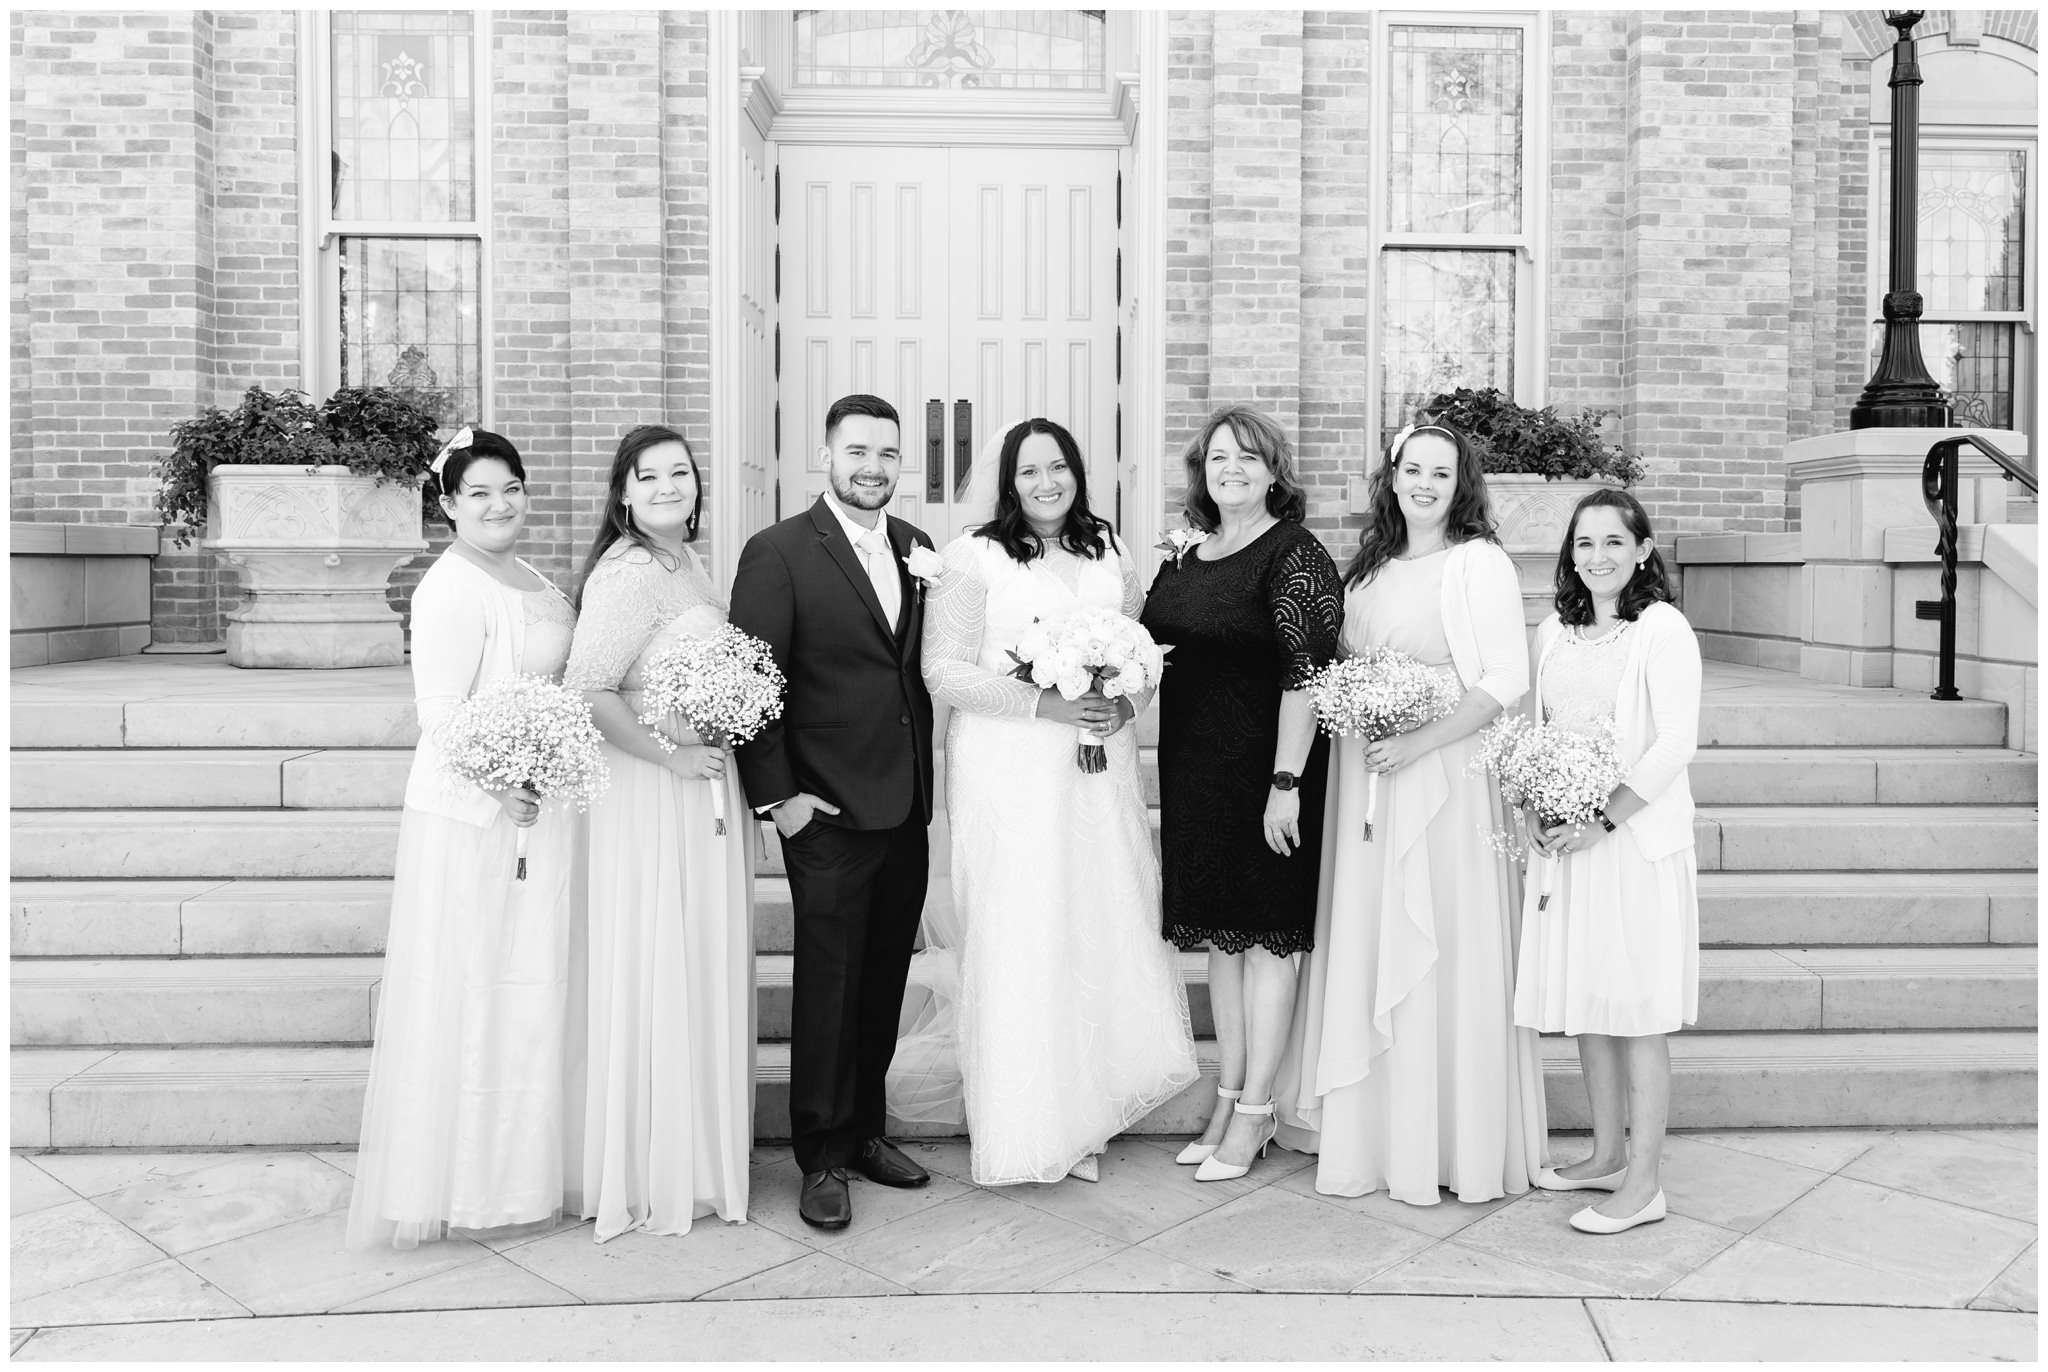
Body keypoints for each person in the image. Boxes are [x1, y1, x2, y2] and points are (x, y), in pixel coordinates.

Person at [912, 417, 1198, 1186]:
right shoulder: (973, 557)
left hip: (1097, 773)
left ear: (1077, 472)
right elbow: (945, 671)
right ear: (1008, 482)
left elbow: (1144, 656)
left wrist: (1124, 705)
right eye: (1030, 471)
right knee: (1026, 930)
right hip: (1010, 769)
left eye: (1059, 467)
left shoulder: (1110, 550)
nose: (1047, 483)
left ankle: (1089, 1114)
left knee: (1094, 923)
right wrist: (1047, 704)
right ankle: (1028, 1127)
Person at [1273, 421, 1545, 1207]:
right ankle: (1379, 1138)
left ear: (1462, 484)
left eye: (1442, 472)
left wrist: (1420, 740)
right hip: (1368, 775)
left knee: (1440, 943)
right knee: (1370, 936)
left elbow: (1505, 678)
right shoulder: (1369, 564)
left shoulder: (1478, 562)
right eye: (1413, 469)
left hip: (1444, 778)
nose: (1425, 483)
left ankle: (1449, 1140)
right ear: (1391, 477)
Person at [346, 428, 580, 1250]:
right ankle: (473, 1185)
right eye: (477, 492)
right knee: (479, 991)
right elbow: (440, 714)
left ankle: (526, 1171)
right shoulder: (448, 587)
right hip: (475, 818)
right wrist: (503, 782)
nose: (498, 503)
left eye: (509, 487)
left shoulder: (537, 578)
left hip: (538, 809)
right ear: (447, 506)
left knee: (531, 989)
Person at [730, 394, 937, 1231]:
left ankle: (863, 1134)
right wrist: (780, 800)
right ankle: (819, 1157)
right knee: (829, 986)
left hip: (906, 805)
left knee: (883, 980)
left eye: (887, 455)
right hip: (825, 810)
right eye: (858, 452)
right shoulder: (778, 551)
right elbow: (752, 684)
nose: (873, 468)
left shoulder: (918, 548)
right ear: (827, 456)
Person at [1138, 404, 1343, 1183]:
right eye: (1219, 458)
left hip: (1268, 773)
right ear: (1202, 469)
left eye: (1249, 459)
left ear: (1273, 471)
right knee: (1221, 945)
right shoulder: (1187, 549)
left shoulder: (1294, 552)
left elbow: (1307, 676)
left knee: (1264, 943)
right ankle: (1227, 1095)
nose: (1233, 470)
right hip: (1196, 773)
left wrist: (1286, 784)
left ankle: (1257, 1111)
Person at [562, 424, 753, 1242]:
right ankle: (654, 1166)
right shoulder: (631, 569)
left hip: (702, 782)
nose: (670, 486)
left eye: (682, 472)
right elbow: (590, 688)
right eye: (652, 476)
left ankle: (701, 1155)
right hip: (656, 793)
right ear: (625, 494)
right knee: (662, 960)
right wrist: (671, 756)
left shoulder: (688, 564)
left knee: (700, 960)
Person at [1516, 488, 1701, 1235]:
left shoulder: (1663, 629)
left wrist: (1602, 818)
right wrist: (1532, 802)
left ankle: (1645, 1184)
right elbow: (1536, 727)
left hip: (1634, 843)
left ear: (1643, 550)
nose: (1598, 557)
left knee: (1639, 1011)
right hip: (1569, 845)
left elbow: (1674, 742)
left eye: (1614, 543)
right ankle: (1602, 1156)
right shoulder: (1554, 630)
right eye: (1585, 543)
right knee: (1592, 1003)